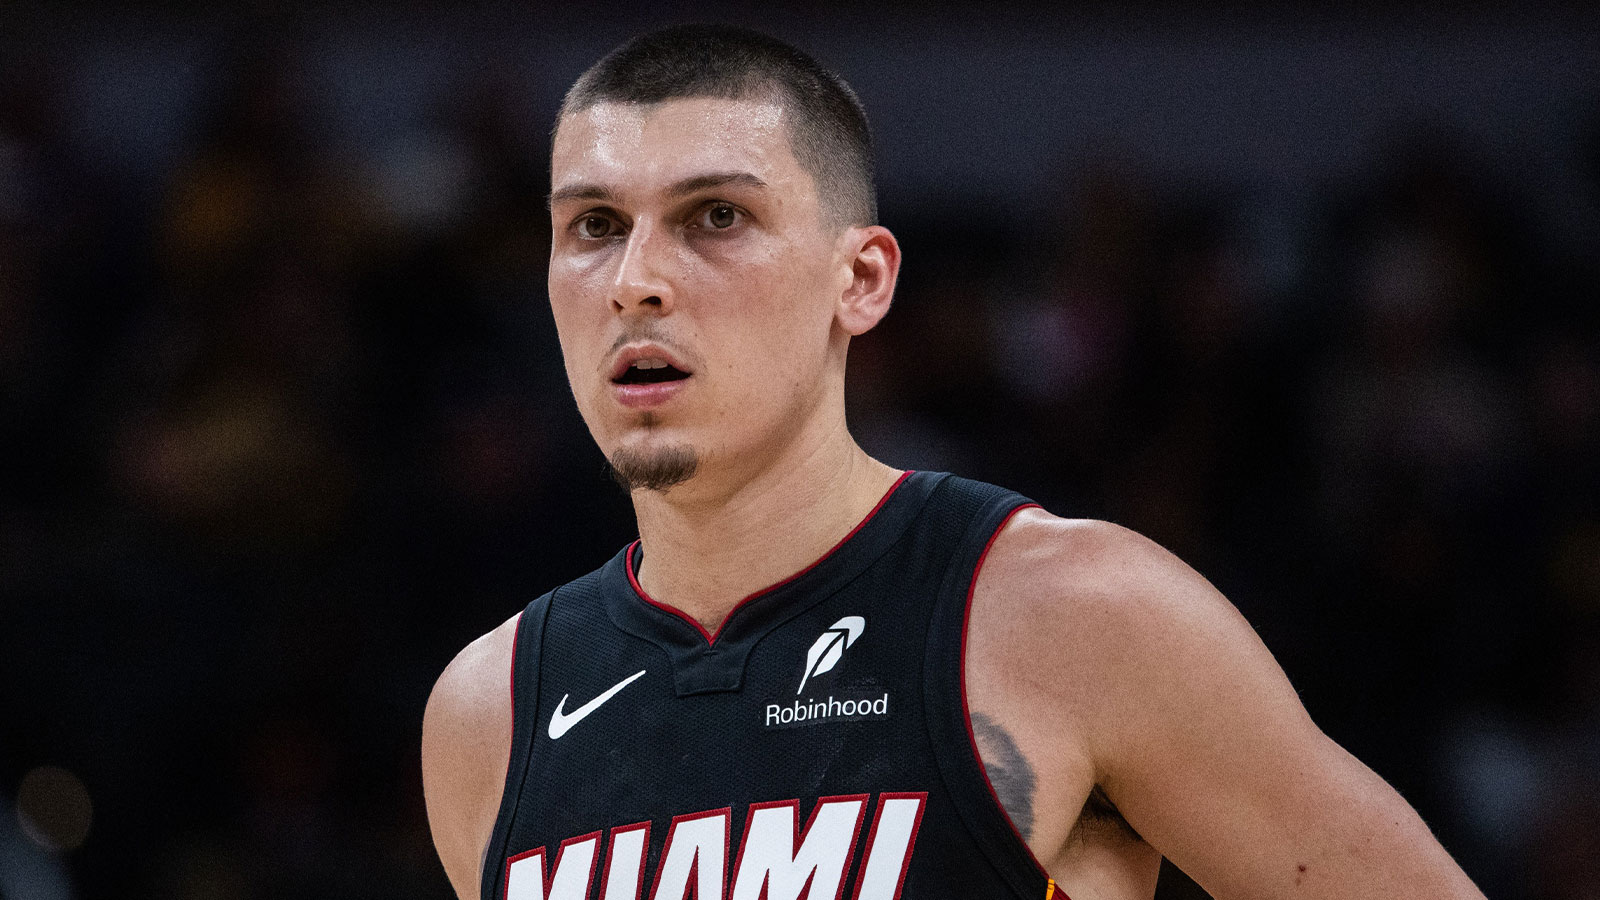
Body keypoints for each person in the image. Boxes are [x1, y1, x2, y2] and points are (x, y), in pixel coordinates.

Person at [422, 24, 1485, 900]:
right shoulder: (486, 715)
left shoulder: (1078, 615)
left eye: (716, 216)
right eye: (594, 225)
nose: (635, 279)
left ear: (860, 280)